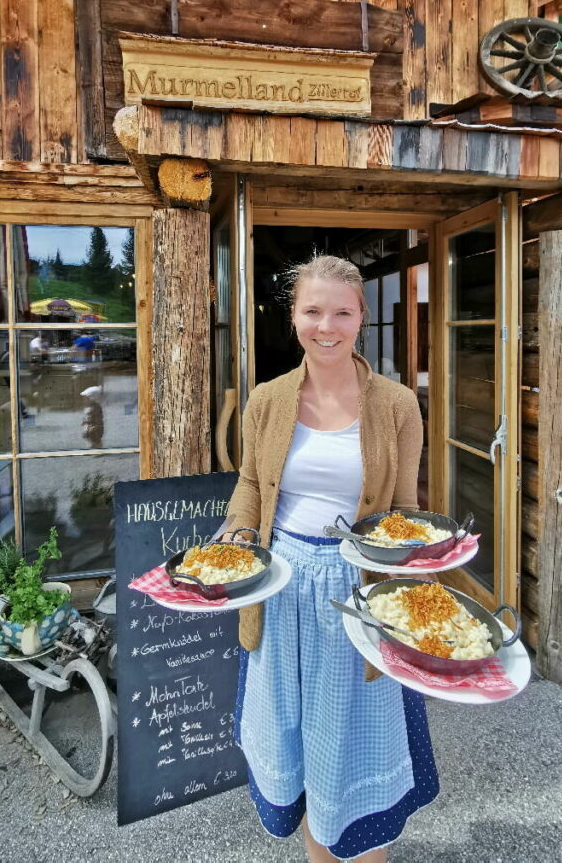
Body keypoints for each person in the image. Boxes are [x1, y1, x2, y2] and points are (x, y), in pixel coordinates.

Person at [225, 254, 438, 863]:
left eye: (341, 312)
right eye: (313, 310)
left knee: (353, 744)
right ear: (293, 317)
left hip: (359, 585)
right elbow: (249, 485)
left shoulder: (397, 405)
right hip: (283, 584)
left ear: (361, 318)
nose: (327, 326)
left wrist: (413, 597)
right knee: (293, 736)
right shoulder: (266, 401)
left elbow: (403, 509)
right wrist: (239, 536)